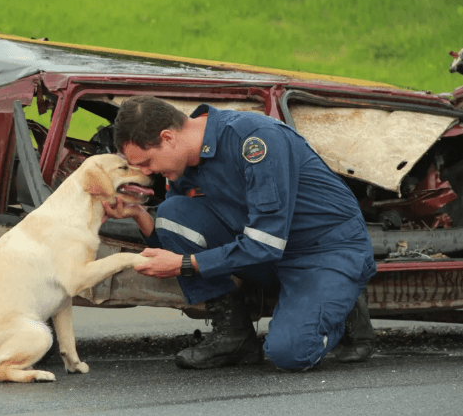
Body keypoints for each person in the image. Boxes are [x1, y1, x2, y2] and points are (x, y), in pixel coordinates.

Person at [103, 96, 377, 371]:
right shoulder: (182, 164)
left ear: (168, 137)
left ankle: (343, 305)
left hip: (323, 252)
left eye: (148, 162)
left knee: (290, 353)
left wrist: (187, 264)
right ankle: (234, 337)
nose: (147, 173)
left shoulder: (255, 139)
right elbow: (174, 246)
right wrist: (138, 214)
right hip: (267, 253)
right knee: (172, 212)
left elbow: (265, 242)